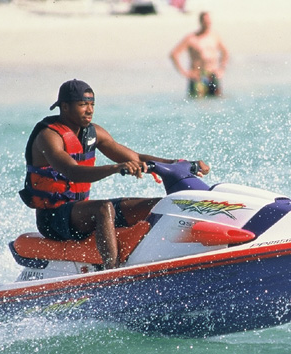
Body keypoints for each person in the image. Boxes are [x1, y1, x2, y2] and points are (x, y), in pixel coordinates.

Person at [19, 79, 210, 269]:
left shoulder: (94, 133)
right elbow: (73, 171)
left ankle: (163, 256)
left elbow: (135, 157)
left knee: (156, 205)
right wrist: (115, 168)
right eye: (82, 104)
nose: (89, 110)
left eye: (92, 104)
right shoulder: (48, 136)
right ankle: (112, 271)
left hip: (79, 211)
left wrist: (180, 164)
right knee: (104, 208)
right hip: (53, 219)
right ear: (65, 107)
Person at [170, 11, 229, 98]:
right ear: (201, 22)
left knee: (217, 100)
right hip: (197, 77)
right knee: (197, 102)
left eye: (209, 22)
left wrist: (222, 69)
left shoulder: (214, 36)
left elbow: (225, 52)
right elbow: (174, 54)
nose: (207, 24)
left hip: (212, 75)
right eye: (205, 22)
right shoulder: (191, 38)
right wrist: (184, 72)